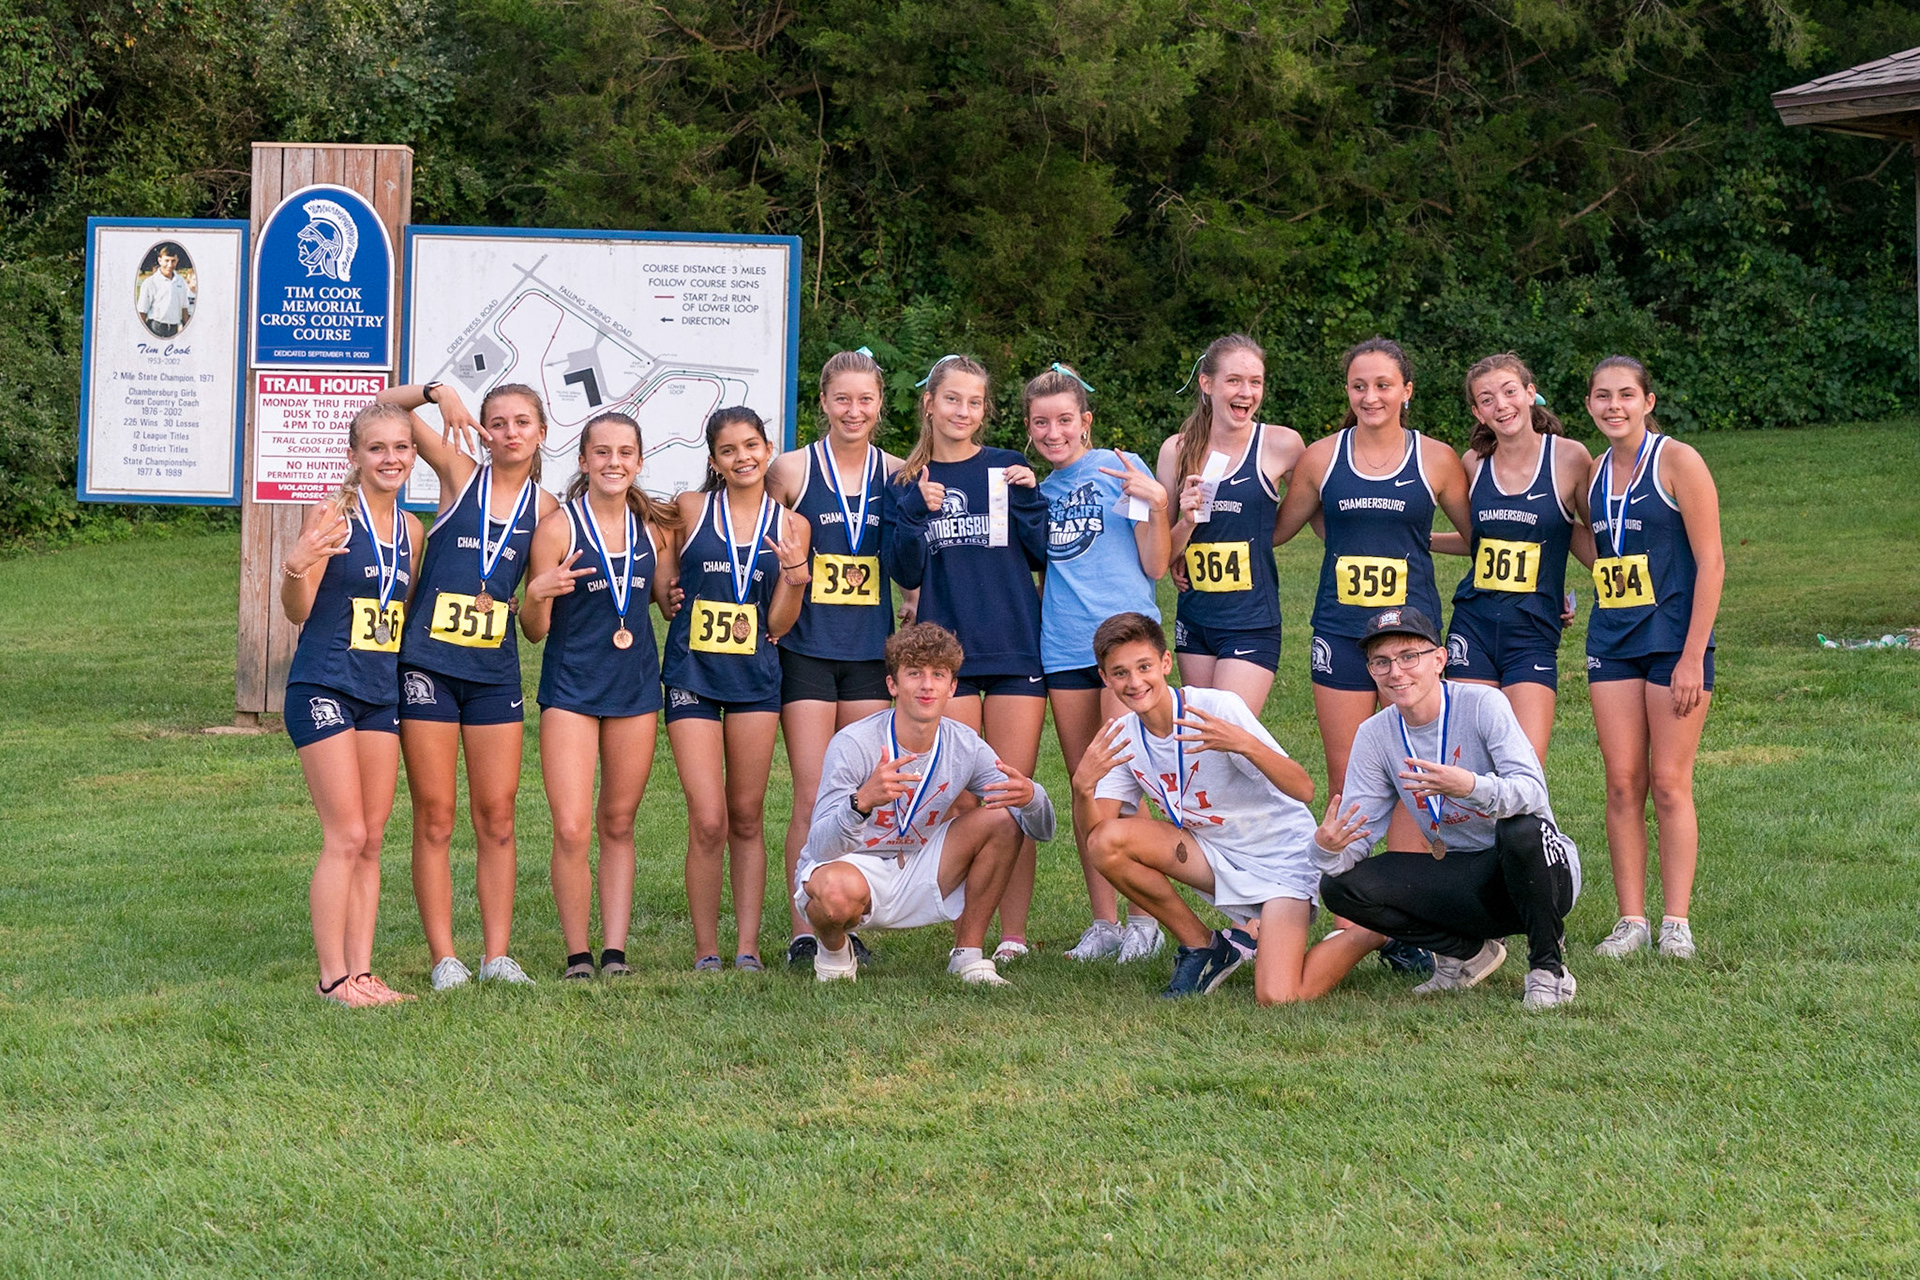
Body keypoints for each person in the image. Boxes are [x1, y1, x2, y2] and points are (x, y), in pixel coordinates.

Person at [1272, 338, 1472, 973]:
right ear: (1348, 391)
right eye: (1359, 385)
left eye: (1384, 385)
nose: (1371, 396)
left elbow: (1481, 537)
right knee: (1348, 777)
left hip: (1409, 641)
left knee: (1412, 779)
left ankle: (1404, 921)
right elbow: (1277, 528)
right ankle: (1352, 920)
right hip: (1340, 632)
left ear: (1406, 390)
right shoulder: (1321, 458)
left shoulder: (1436, 459)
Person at [1072, 612, 1382, 1002]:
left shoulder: (1216, 707)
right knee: (1106, 843)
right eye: (1120, 673)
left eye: (1144, 667)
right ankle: (1204, 947)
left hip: (1281, 860)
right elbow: (1096, 836)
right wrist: (1082, 787)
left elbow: (1304, 789)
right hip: (1213, 853)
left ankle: (1377, 932)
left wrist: (1243, 743)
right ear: (1105, 678)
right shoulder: (1122, 736)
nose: (1134, 682)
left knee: (1278, 996)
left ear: (1165, 663)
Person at [379, 380, 557, 989]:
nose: (510, 432)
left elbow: (534, 628)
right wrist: (436, 393)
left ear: (541, 432)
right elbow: (380, 408)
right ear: (482, 430)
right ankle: (444, 958)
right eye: (497, 422)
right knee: (435, 815)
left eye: (522, 422)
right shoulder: (459, 474)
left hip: (493, 675)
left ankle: (496, 956)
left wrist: (535, 597)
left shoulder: (547, 511)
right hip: (428, 666)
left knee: (498, 817)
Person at [1314, 607, 1583, 1009]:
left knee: (1519, 828)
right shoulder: (1374, 734)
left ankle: (1548, 968)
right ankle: (1467, 954)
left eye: (1409, 657)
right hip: (1463, 872)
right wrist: (1327, 848)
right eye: (1381, 662)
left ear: (1439, 660)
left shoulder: (1483, 703)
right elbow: (1356, 833)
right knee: (1340, 888)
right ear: (1370, 671)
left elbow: (1532, 793)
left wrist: (1469, 786)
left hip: (1541, 870)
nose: (1396, 672)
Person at [882, 354, 1049, 962]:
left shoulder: (1006, 468)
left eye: (975, 402)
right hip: (945, 660)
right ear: (929, 403)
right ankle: (965, 933)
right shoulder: (906, 481)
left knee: (1011, 792)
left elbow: (1042, 554)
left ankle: (1013, 936)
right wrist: (916, 511)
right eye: (952, 399)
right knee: (960, 798)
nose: (963, 411)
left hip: (1012, 645)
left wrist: (1030, 500)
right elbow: (904, 570)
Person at [794, 623, 1055, 986]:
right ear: (892, 684)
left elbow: (1042, 831)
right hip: (854, 864)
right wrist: (861, 802)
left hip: (919, 863)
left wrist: (1031, 798)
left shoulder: (964, 744)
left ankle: (968, 955)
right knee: (835, 894)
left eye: (938, 674)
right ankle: (834, 951)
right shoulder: (854, 742)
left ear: (952, 687)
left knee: (1002, 820)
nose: (927, 685)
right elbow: (820, 846)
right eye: (914, 673)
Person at [519, 412, 681, 980]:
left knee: (618, 821)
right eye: (603, 452)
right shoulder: (558, 529)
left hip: (634, 689)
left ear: (639, 461)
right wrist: (535, 595)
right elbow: (534, 630)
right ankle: (577, 955)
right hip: (571, 690)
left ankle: (614, 953)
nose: (614, 462)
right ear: (584, 460)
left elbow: (664, 601)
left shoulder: (653, 530)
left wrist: (677, 596)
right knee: (571, 827)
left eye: (625, 453)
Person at [1577, 356, 1724, 961]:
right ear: (1590, 404)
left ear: (1648, 401)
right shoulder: (1592, 472)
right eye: (1602, 396)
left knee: (1668, 783)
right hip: (1612, 641)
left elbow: (1711, 562)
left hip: (1673, 643)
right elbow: (1596, 546)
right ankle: (1631, 920)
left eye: (1625, 395)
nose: (1614, 406)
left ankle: (1676, 923)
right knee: (1621, 783)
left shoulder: (1678, 461)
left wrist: (1692, 656)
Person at [1026, 363, 1174, 964]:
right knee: (1086, 783)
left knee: (1127, 779)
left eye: (1064, 420)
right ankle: (1104, 922)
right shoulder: (1038, 493)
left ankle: (1146, 920)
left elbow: (1156, 564)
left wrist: (1158, 506)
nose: (1054, 432)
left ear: (1085, 420)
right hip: (1063, 647)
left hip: (1124, 648)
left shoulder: (1122, 468)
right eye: (1041, 423)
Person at [767, 349, 910, 970]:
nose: (854, 410)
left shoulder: (900, 471)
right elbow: (756, 544)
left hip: (869, 653)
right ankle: (805, 930)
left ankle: (842, 923)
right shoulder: (791, 469)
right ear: (822, 401)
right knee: (810, 794)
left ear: (880, 404)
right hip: (806, 649)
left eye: (866, 399)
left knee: (857, 795)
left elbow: (911, 552)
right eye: (842, 399)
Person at [280, 401, 425, 1006]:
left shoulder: (413, 530)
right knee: (345, 834)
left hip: (378, 691)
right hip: (324, 684)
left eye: (401, 447)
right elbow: (299, 610)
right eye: (377, 448)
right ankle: (332, 979)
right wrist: (295, 568)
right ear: (354, 457)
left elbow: (398, 612)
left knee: (372, 838)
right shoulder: (333, 517)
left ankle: (363, 975)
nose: (391, 458)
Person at [661, 406, 812, 972]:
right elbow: (665, 583)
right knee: (708, 818)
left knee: (746, 816)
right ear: (714, 461)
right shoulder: (690, 509)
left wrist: (795, 577)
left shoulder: (794, 526)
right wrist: (666, 593)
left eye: (751, 445)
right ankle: (707, 949)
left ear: (768, 449)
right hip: (692, 674)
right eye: (729, 450)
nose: (742, 457)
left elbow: (778, 624)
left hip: (755, 678)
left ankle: (748, 947)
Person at [1429, 354, 1594, 762]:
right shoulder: (1473, 463)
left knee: (1524, 764)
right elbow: (1478, 542)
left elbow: (1587, 536)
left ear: (1530, 393)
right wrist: (1421, 540)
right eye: (1487, 399)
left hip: (1533, 629)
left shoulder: (1570, 458)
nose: (1501, 405)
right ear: (1478, 413)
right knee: (1467, 760)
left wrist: (1562, 585)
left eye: (1509, 392)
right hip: (1474, 623)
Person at [1155, 334, 1305, 715]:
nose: (1246, 392)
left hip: (1251, 619)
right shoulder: (1176, 450)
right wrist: (1186, 526)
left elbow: (1315, 512)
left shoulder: (1282, 445)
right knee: (1199, 734)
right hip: (1195, 619)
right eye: (1234, 380)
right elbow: (1160, 556)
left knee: (1228, 732)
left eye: (1255, 382)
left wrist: (1264, 537)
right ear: (1207, 384)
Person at [137, 246, 194, 337]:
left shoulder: (181, 281)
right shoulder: (150, 283)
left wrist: (188, 331)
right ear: (159, 260)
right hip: (155, 328)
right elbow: (142, 311)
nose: (170, 265)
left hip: (174, 329)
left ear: (177, 261)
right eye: (166, 261)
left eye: (173, 261)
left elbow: (184, 308)